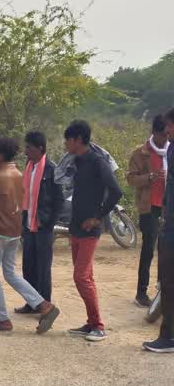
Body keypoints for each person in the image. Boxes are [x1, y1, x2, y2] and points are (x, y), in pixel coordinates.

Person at [0, 138, 61, 333]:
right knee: (10, 273)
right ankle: (43, 305)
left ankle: (3, 319)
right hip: (15, 230)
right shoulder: (19, 173)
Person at [64, 120, 122, 342]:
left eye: (68, 140)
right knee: (86, 276)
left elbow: (116, 191)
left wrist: (98, 217)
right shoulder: (78, 161)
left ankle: (98, 325)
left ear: (78, 139)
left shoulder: (98, 161)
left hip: (90, 229)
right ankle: (90, 323)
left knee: (80, 277)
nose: (66, 145)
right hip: (76, 226)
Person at [16, 131, 64, 314]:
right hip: (29, 225)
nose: (26, 151)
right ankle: (31, 303)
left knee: (43, 269)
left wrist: (49, 223)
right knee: (29, 267)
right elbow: (25, 196)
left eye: (29, 147)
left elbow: (58, 200)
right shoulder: (29, 167)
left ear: (40, 149)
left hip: (43, 226)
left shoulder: (52, 169)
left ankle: (46, 306)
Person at [127, 115, 168, 308]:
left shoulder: (170, 150)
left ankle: (162, 292)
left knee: (165, 249)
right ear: (154, 133)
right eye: (163, 135)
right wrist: (150, 177)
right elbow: (131, 179)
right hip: (148, 206)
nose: (166, 139)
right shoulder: (140, 153)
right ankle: (141, 293)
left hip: (167, 206)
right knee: (149, 249)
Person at [144, 108, 174, 353]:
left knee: (169, 282)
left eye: (170, 126)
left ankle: (169, 337)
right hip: (166, 220)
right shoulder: (171, 149)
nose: (167, 131)